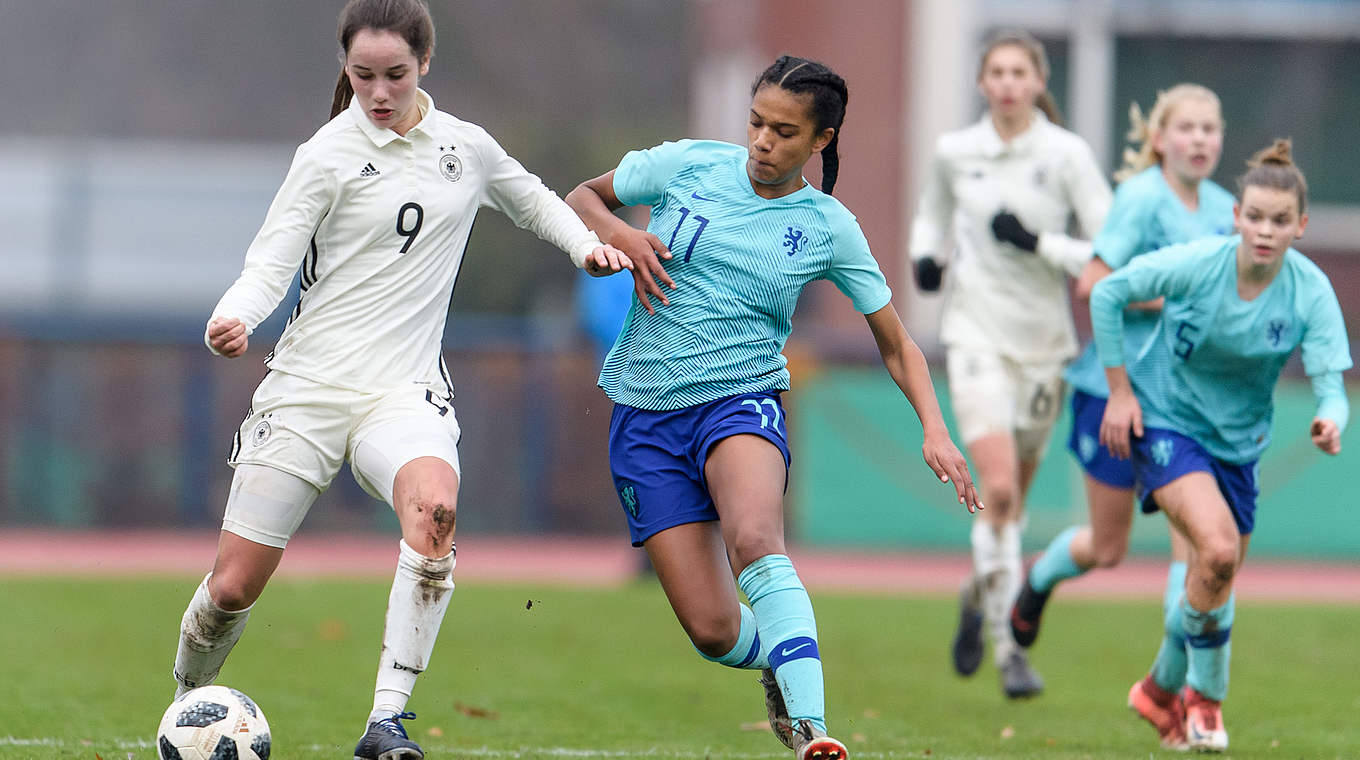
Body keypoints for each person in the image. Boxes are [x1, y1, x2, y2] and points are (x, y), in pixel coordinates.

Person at [169, 2, 638, 759]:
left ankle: (385, 723)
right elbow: (269, 263)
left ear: (425, 63)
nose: (378, 91)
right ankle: (188, 703)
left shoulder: (467, 148)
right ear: (345, 71)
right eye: (362, 76)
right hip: (307, 391)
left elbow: (537, 204)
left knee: (436, 519)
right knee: (230, 590)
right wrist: (234, 318)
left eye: (394, 74)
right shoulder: (324, 154)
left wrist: (587, 248)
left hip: (404, 391)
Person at [565, 55, 981, 760]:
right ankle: (772, 658)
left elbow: (897, 342)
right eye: (756, 123)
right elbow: (581, 197)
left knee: (756, 541)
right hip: (644, 413)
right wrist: (623, 235)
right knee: (713, 631)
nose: (762, 141)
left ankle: (812, 730)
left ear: (819, 141)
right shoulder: (689, 164)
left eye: (784, 132)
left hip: (742, 399)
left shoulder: (828, 226)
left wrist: (934, 429)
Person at [1093, 139, 1350, 752]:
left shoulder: (1309, 292)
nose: (1265, 230)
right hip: (1167, 424)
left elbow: (1332, 387)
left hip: (1240, 447)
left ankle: (1158, 690)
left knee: (1215, 576)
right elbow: (1107, 293)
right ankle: (1205, 703)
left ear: (1301, 227)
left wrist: (1329, 419)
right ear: (1236, 217)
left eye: (1280, 221)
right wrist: (1120, 393)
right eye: (1255, 216)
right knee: (1215, 547)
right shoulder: (1196, 263)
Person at [907, 30, 1110, 698]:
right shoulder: (955, 153)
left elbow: (1109, 251)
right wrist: (926, 261)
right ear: (981, 81)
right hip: (974, 335)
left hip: (1045, 344)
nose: (1008, 83)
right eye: (996, 71)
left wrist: (1038, 242)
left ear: (1038, 79)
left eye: (1020, 71)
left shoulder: (1067, 155)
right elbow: (929, 219)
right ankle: (1009, 651)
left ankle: (976, 592)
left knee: (1009, 505)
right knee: (996, 492)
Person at [1010, 85, 1235, 662]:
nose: (1200, 139)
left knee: (1194, 545)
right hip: (1113, 393)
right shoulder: (1139, 198)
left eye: (1210, 129)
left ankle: (1176, 683)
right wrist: (1167, 301)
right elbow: (1094, 283)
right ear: (1160, 140)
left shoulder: (1221, 211)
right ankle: (1037, 581)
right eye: (1187, 128)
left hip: (1182, 403)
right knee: (1108, 548)